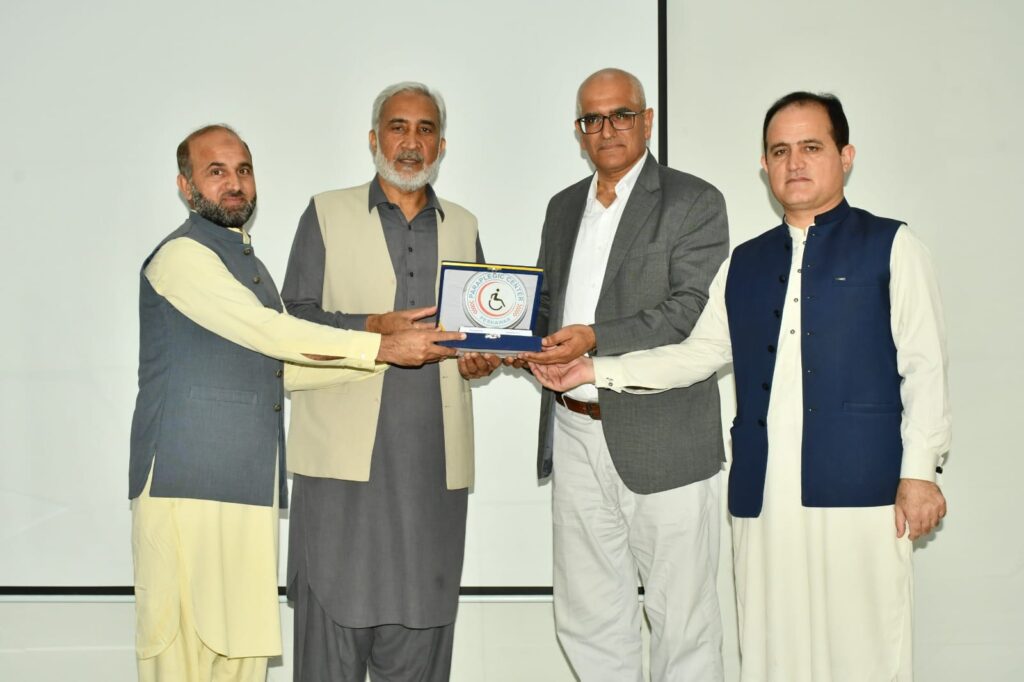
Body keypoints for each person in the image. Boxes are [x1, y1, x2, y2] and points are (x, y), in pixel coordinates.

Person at [531, 91, 950, 681]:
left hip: (865, 490)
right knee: (772, 649)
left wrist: (920, 473)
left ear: (845, 156)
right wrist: (593, 372)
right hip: (764, 492)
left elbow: (925, 366)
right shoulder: (745, 263)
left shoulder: (893, 246)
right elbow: (697, 355)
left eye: (811, 147)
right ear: (764, 165)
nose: (794, 163)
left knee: (865, 649)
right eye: (780, 151)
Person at [128, 124, 461, 682]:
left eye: (243, 169)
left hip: (246, 488)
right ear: (185, 186)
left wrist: (396, 352)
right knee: (183, 657)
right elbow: (275, 334)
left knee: (241, 658)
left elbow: (282, 369)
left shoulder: (247, 263)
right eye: (216, 172)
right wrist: (381, 344)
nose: (235, 183)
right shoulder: (183, 257)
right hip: (184, 488)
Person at [516, 68, 730, 681]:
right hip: (574, 430)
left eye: (621, 115)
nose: (606, 129)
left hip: (664, 434)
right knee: (588, 617)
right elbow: (546, 303)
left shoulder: (694, 201)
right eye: (592, 118)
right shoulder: (563, 207)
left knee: (682, 619)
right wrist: (506, 340)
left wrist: (594, 338)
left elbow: (689, 310)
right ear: (578, 130)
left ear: (647, 120)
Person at [281, 82, 499, 682]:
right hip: (341, 473)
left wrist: (480, 360)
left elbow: (478, 331)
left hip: (431, 474)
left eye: (425, 129)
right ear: (373, 138)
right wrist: (372, 328)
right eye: (398, 127)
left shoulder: (464, 225)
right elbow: (292, 321)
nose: (411, 141)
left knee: (421, 635)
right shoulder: (326, 212)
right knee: (331, 636)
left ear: (442, 146)